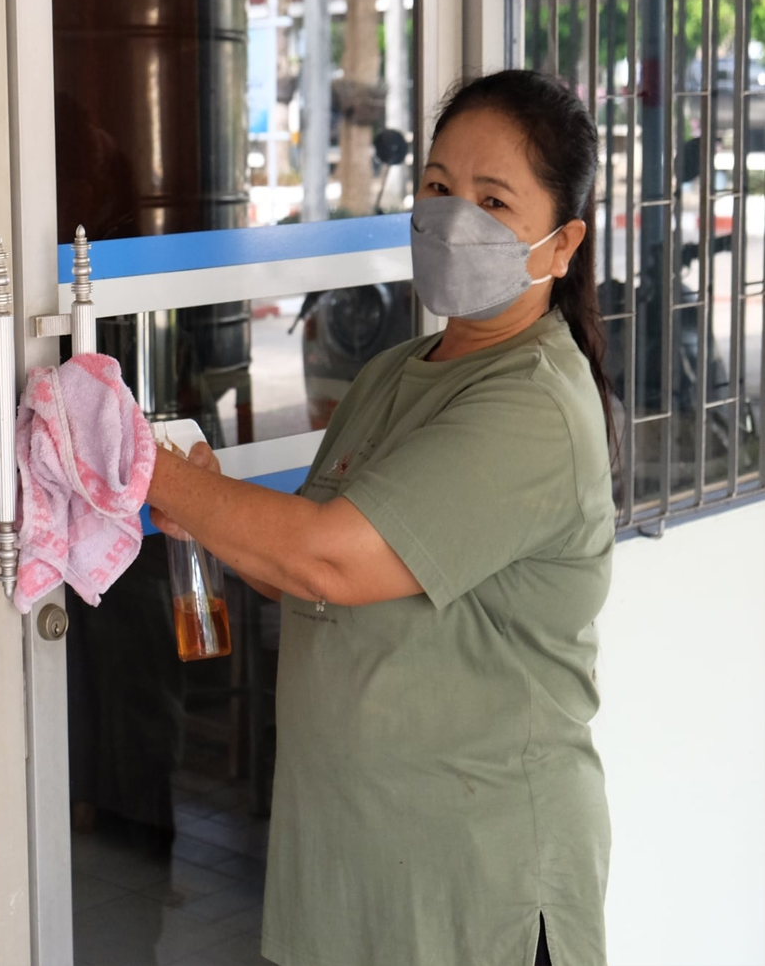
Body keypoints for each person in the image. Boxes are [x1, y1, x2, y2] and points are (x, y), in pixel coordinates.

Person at [145, 69, 614, 966]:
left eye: (492, 200)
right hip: (354, 867)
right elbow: (305, 568)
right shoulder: (394, 374)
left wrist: (157, 478)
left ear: (561, 246)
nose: (451, 216)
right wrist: (210, 511)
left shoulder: (534, 406)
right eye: (437, 187)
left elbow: (331, 561)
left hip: (478, 885)